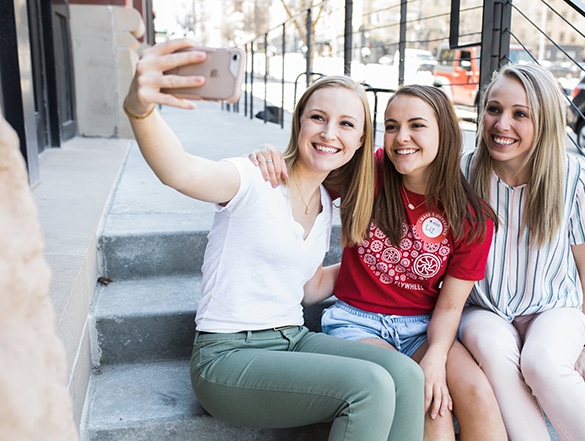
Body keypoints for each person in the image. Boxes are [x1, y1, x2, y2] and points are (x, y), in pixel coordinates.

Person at [123, 38, 425, 441]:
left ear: (358, 144)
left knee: (403, 373)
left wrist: (390, 266)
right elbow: (179, 171)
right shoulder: (253, 179)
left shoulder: (326, 205)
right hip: (228, 356)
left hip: (291, 338)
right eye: (318, 117)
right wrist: (140, 109)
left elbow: (312, 286)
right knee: (369, 386)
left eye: (346, 124)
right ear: (299, 122)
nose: (329, 132)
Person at [253, 85, 507, 441]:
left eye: (416, 125)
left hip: (423, 328)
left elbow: (450, 308)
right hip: (357, 322)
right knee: (432, 407)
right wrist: (271, 153)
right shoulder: (369, 171)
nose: (401, 137)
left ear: (445, 132)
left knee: (479, 395)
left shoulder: (473, 219)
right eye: (391, 126)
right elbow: (307, 167)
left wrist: (435, 356)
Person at [458, 63, 585, 441]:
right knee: (493, 348)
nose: (501, 124)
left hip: (553, 308)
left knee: (542, 362)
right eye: (494, 109)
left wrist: (581, 345)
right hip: (484, 309)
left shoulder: (574, 178)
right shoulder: (467, 171)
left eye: (520, 114)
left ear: (543, 121)